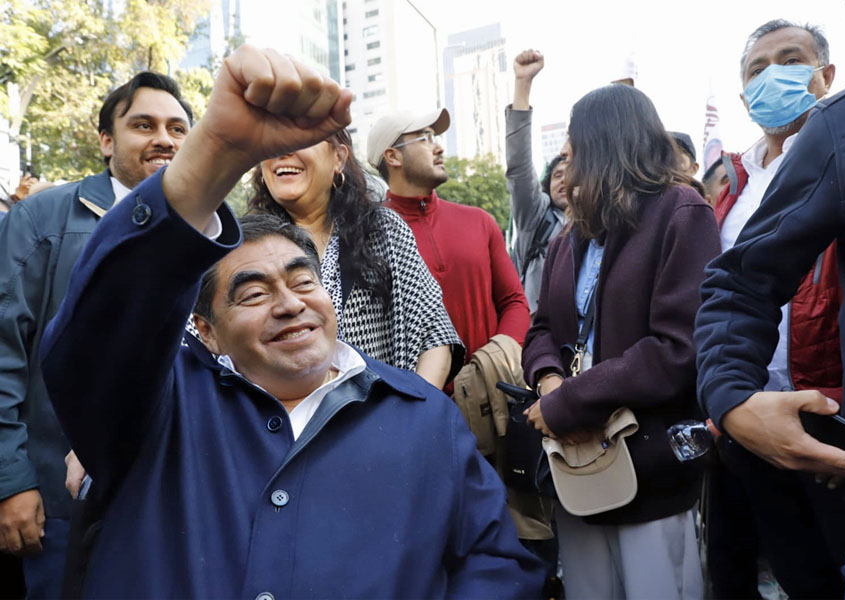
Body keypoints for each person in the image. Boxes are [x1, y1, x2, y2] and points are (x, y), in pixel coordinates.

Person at [39, 44, 544, 598]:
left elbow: (494, 566)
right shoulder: (170, 410)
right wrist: (213, 152)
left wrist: (399, 425)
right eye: (252, 292)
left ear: (340, 159)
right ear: (205, 329)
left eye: (304, 282)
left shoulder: (424, 422)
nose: (290, 303)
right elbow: (112, 341)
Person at [695, 44, 845, 600]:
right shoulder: (727, 184)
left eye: (788, 61)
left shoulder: (832, 135)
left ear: (824, 74)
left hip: (834, 411)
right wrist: (731, 400)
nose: (771, 78)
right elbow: (737, 283)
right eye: (756, 70)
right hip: (798, 433)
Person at [521, 83, 719, 599]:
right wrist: (547, 380)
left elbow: (678, 349)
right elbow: (542, 328)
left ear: (605, 144)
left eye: (574, 148)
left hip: (649, 467)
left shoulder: (681, 211)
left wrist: (570, 400)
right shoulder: (570, 235)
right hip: (576, 466)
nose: (566, 162)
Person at [0, 70, 192, 598]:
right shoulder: (45, 219)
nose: (164, 139)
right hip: (58, 505)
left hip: (175, 500)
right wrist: (11, 481)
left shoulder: (214, 232)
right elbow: (3, 350)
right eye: (143, 125)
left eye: (178, 128)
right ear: (107, 140)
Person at [247, 128, 463, 388]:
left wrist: (414, 415)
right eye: (271, 141)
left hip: (386, 416)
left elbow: (435, 335)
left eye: (300, 138)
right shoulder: (245, 247)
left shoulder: (383, 229)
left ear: (338, 158)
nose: (283, 151)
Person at [368, 109, 530, 366]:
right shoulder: (366, 238)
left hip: (495, 395)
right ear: (393, 156)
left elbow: (514, 302)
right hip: (419, 401)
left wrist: (495, 361)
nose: (439, 148)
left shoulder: (479, 221)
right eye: (425, 138)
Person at [505, 49, 567, 315]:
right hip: (537, 340)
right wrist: (523, 85)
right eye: (556, 175)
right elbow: (519, 168)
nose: (563, 180)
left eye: (571, 172)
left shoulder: (603, 224)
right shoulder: (537, 217)